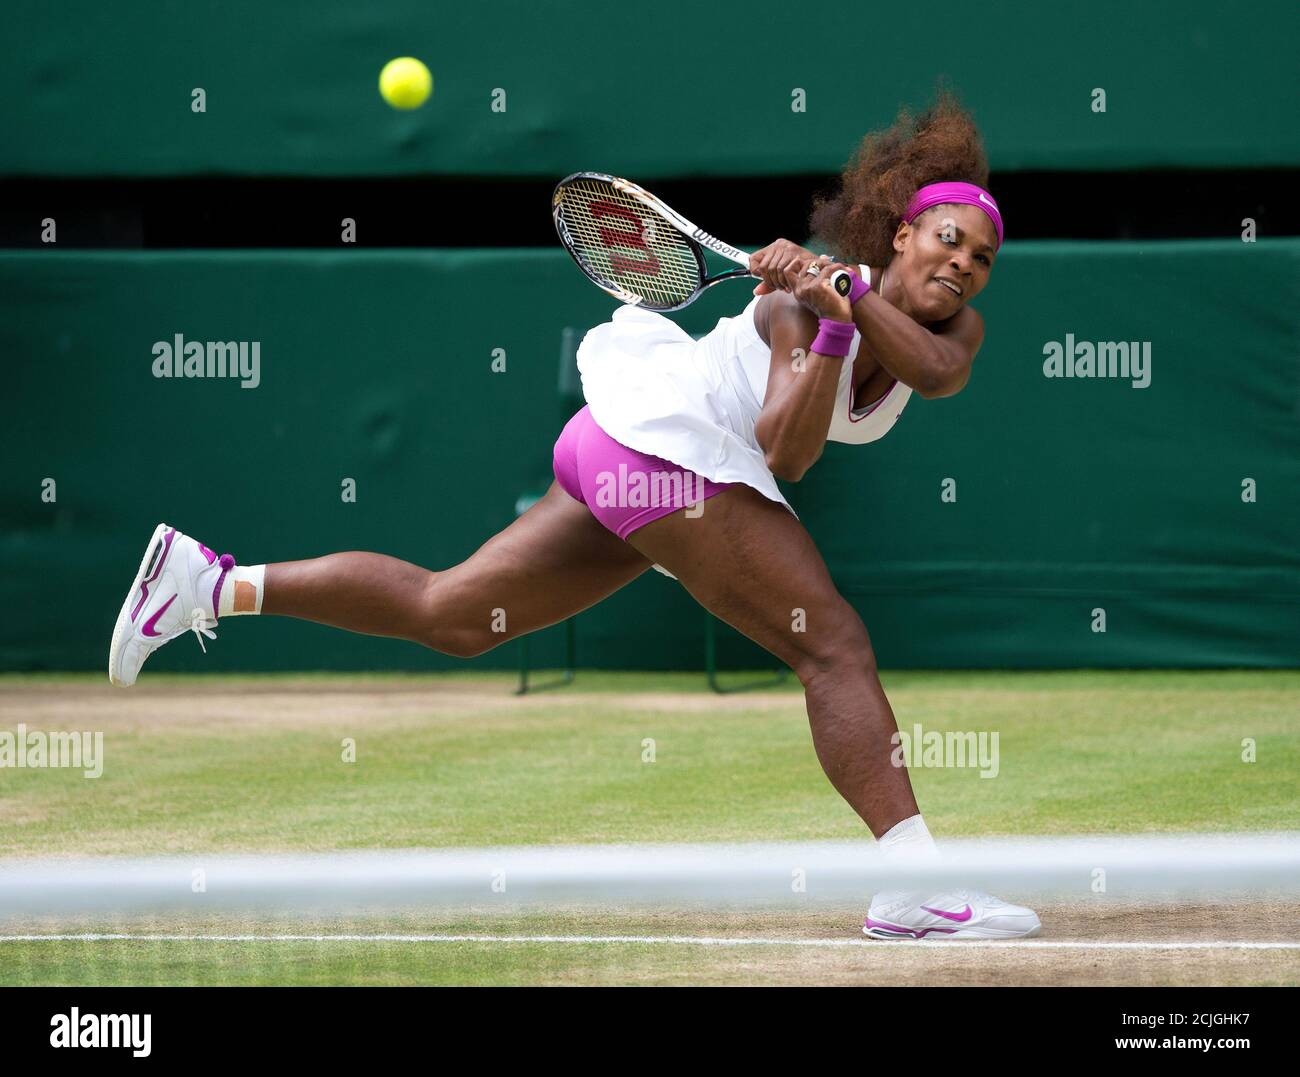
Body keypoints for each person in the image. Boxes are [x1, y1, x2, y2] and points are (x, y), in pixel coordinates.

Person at [108, 91, 1039, 940]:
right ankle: (913, 887)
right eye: (947, 238)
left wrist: (854, 302)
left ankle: (210, 583)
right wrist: (826, 320)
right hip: (662, 447)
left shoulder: (949, 330)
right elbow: (788, 453)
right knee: (830, 642)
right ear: (902, 231)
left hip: (627, 459)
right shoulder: (799, 309)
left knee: (455, 614)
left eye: (981, 256)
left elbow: (937, 371)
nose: (963, 263)